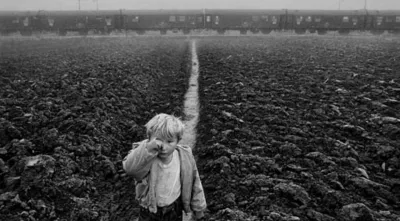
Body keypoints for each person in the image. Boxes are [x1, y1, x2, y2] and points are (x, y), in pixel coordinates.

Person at [123, 113, 207, 221]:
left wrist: (198, 209)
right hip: (149, 211)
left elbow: (195, 182)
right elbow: (130, 169)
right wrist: (150, 148)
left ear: (178, 141)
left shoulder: (184, 157)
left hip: (174, 209)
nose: (163, 147)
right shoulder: (145, 156)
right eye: (158, 140)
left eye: (169, 141)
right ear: (149, 139)